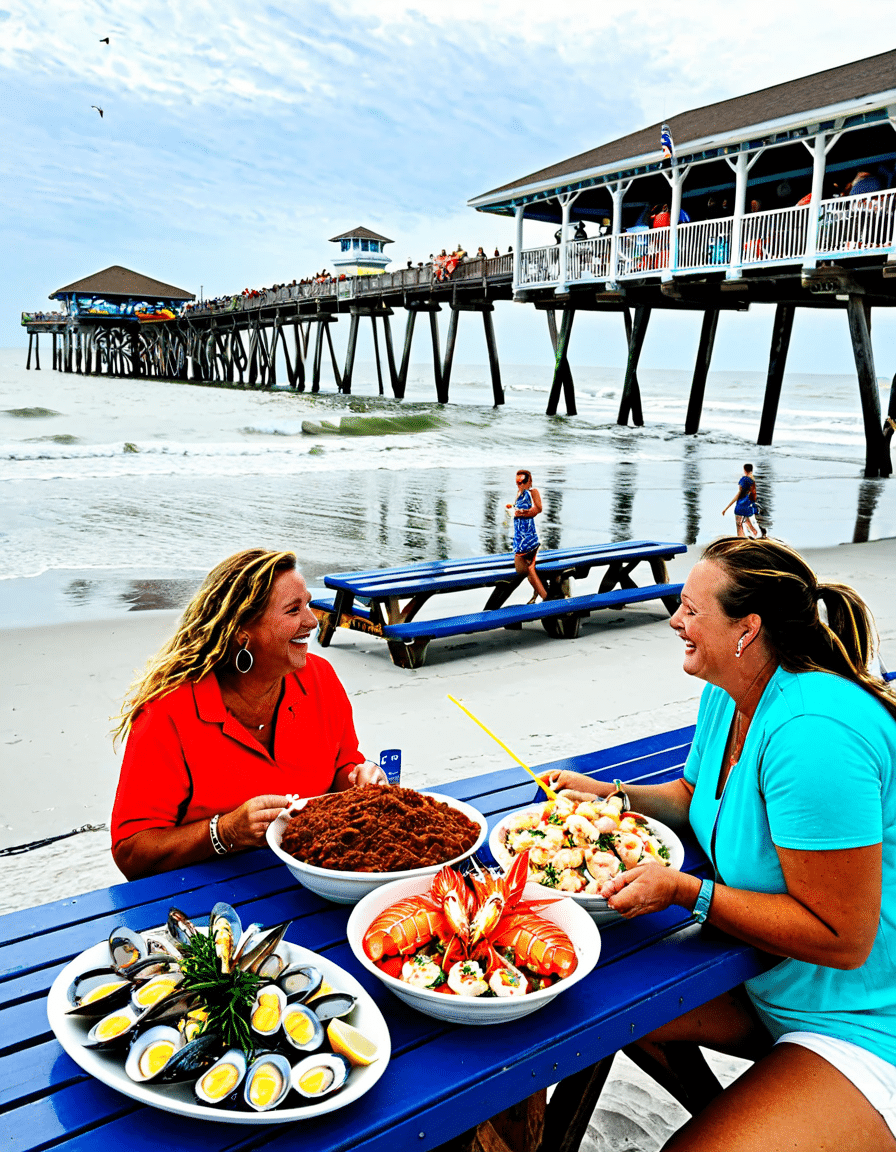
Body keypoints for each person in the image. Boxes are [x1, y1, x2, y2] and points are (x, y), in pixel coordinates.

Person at [542, 536, 896, 1151]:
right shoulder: (728, 690)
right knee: (592, 1008)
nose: (675, 621)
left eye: (690, 609)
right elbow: (693, 793)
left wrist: (686, 891)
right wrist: (607, 795)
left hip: (862, 1016)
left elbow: (844, 937)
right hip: (773, 983)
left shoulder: (814, 733)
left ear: (747, 628)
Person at [110, 548, 386, 879]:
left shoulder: (319, 678)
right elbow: (130, 852)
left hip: (312, 877)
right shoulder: (167, 712)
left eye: (308, 604)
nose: (312, 621)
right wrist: (223, 833)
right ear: (243, 631)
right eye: (293, 610)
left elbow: (342, 765)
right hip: (207, 894)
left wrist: (359, 778)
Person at [506, 469, 547, 603]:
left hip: (527, 537)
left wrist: (523, 513)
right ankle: (541, 596)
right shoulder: (520, 492)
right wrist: (512, 508)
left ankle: (547, 598)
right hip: (520, 537)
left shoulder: (531, 492)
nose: (520, 484)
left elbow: (537, 509)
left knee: (527, 570)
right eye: (518, 482)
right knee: (529, 569)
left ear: (529, 481)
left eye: (523, 481)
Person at [722, 463, 760, 537]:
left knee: (739, 524)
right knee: (746, 521)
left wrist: (726, 508)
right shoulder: (753, 480)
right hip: (749, 504)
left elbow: (739, 494)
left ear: (744, 470)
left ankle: (741, 539)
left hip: (741, 504)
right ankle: (755, 534)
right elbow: (754, 493)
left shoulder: (744, 479)